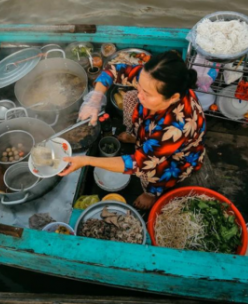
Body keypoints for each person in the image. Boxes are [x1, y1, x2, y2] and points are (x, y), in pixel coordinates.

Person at [60, 51, 206, 209]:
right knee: (130, 96)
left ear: (173, 98)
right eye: (140, 87)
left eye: (147, 94)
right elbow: (113, 69)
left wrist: (86, 161)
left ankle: (151, 194)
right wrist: (94, 99)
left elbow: (138, 163)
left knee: (154, 171)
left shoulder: (177, 127)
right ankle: (135, 137)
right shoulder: (152, 78)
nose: (140, 95)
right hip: (152, 128)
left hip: (174, 157)